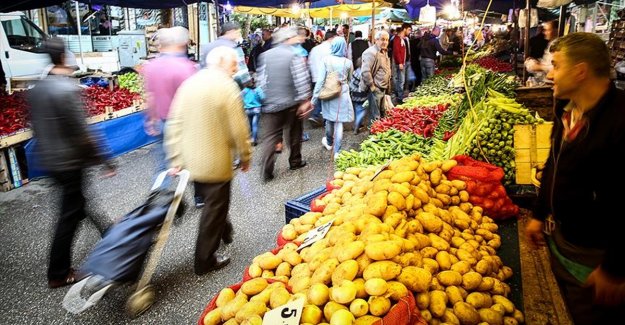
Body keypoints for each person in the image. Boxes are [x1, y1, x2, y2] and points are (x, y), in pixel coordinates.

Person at [525, 32, 625, 325]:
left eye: (556, 65)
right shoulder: (566, 109)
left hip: (599, 261)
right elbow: (554, 163)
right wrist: (539, 212)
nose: (550, 74)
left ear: (580, 71)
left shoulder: (620, 121)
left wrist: (614, 269)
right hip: (564, 243)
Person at [28, 37, 116, 288]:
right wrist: (105, 161)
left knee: (78, 201)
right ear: (64, 57)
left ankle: (110, 233)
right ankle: (58, 272)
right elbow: (83, 133)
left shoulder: (38, 88)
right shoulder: (66, 89)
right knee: (69, 214)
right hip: (69, 161)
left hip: (50, 160)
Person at [165, 46, 252, 275]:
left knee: (213, 201)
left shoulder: (190, 83)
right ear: (223, 63)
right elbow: (239, 130)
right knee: (214, 208)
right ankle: (205, 260)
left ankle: (226, 231)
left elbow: (174, 122)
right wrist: (245, 155)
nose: (235, 70)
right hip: (215, 161)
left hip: (190, 160)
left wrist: (175, 157)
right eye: (234, 65)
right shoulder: (227, 87)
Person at [142, 26, 197, 194]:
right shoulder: (186, 67)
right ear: (180, 43)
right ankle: (200, 196)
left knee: (162, 164)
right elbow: (192, 99)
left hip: (160, 120)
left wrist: (150, 118)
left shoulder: (150, 66)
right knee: (192, 158)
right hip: (182, 123)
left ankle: (159, 201)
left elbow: (150, 96)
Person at [256, 27, 312, 182]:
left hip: (270, 104)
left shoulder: (264, 56)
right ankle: (295, 161)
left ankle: (267, 170)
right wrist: (304, 100)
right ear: (287, 39)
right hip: (290, 102)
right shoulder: (293, 55)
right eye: (293, 36)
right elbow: (301, 80)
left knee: (271, 138)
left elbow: (261, 80)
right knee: (294, 133)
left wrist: (265, 98)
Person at [312, 37, 354, 159]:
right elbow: (350, 79)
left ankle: (329, 141)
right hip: (343, 94)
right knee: (339, 123)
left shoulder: (326, 60)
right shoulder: (348, 62)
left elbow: (320, 81)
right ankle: (337, 152)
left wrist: (314, 99)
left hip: (329, 94)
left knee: (329, 120)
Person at [199, 22, 251, 88]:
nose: (238, 35)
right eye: (237, 32)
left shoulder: (207, 46)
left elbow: (201, 67)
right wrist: (248, 85)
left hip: (208, 87)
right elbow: (242, 73)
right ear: (230, 32)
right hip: (229, 88)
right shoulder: (234, 47)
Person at [361, 30, 391, 123]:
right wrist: (372, 86)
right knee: (375, 117)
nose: (385, 42)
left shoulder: (384, 51)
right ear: (376, 40)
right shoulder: (371, 52)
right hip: (376, 89)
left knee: (382, 113)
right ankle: (374, 135)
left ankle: (380, 134)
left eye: (386, 40)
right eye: (382, 39)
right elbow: (365, 71)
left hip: (383, 88)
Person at [308, 30, 336, 127]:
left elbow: (309, 63)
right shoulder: (331, 49)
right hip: (327, 77)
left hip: (315, 77)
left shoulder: (315, 49)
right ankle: (325, 119)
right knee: (327, 98)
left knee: (318, 96)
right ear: (332, 38)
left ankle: (315, 115)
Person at [241, 79, 265, 146]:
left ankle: (252, 137)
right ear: (254, 83)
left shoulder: (245, 90)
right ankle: (254, 139)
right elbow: (263, 97)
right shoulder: (257, 89)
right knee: (255, 125)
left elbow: (240, 98)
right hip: (256, 109)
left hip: (248, 110)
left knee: (251, 124)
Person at [349, 58, 368, 134]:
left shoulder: (355, 72)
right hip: (362, 95)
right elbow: (365, 85)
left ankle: (358, 123)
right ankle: (357, 126)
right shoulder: (363, 73)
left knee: (357, 109)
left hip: (354, 95)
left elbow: (351, 83)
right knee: (363, 109)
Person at [391, 26, 407, 102]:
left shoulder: (400, 39)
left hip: (400, 62)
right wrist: (400, 62)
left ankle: (399, 95)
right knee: (401, 80)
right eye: (404, 33)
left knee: (400, 79)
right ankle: (399, 97)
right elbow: (397, 52)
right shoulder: (397, 39)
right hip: (399, 63)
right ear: (401, 32)